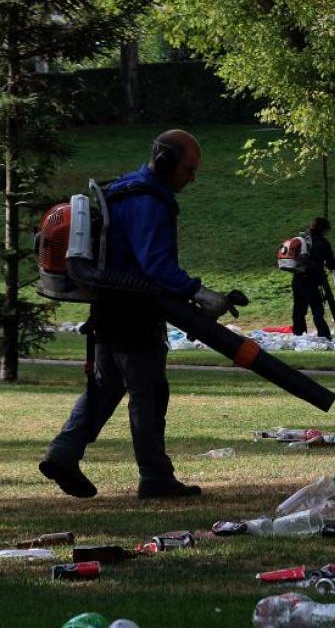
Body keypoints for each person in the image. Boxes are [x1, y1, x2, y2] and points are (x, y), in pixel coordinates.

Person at [40, 130, 234, 499]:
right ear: (166, 163)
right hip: (135, 312)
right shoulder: (149, 202)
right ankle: (155, 476)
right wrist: (200, 293)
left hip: (107, 309)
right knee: (149, 393)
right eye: (188, 170)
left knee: (105, 386)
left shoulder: (124, 188)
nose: (191, 178)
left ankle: (63, 453)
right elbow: (155, 266)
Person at [291, 216, 335, 340]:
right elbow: (330, 264)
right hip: (312, 280)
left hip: (297, 277)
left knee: (299, 310)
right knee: (317, 310)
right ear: (324, 229)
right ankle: (324, 335)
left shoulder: (302, 240)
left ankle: (299, 335)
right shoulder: (323, 243)